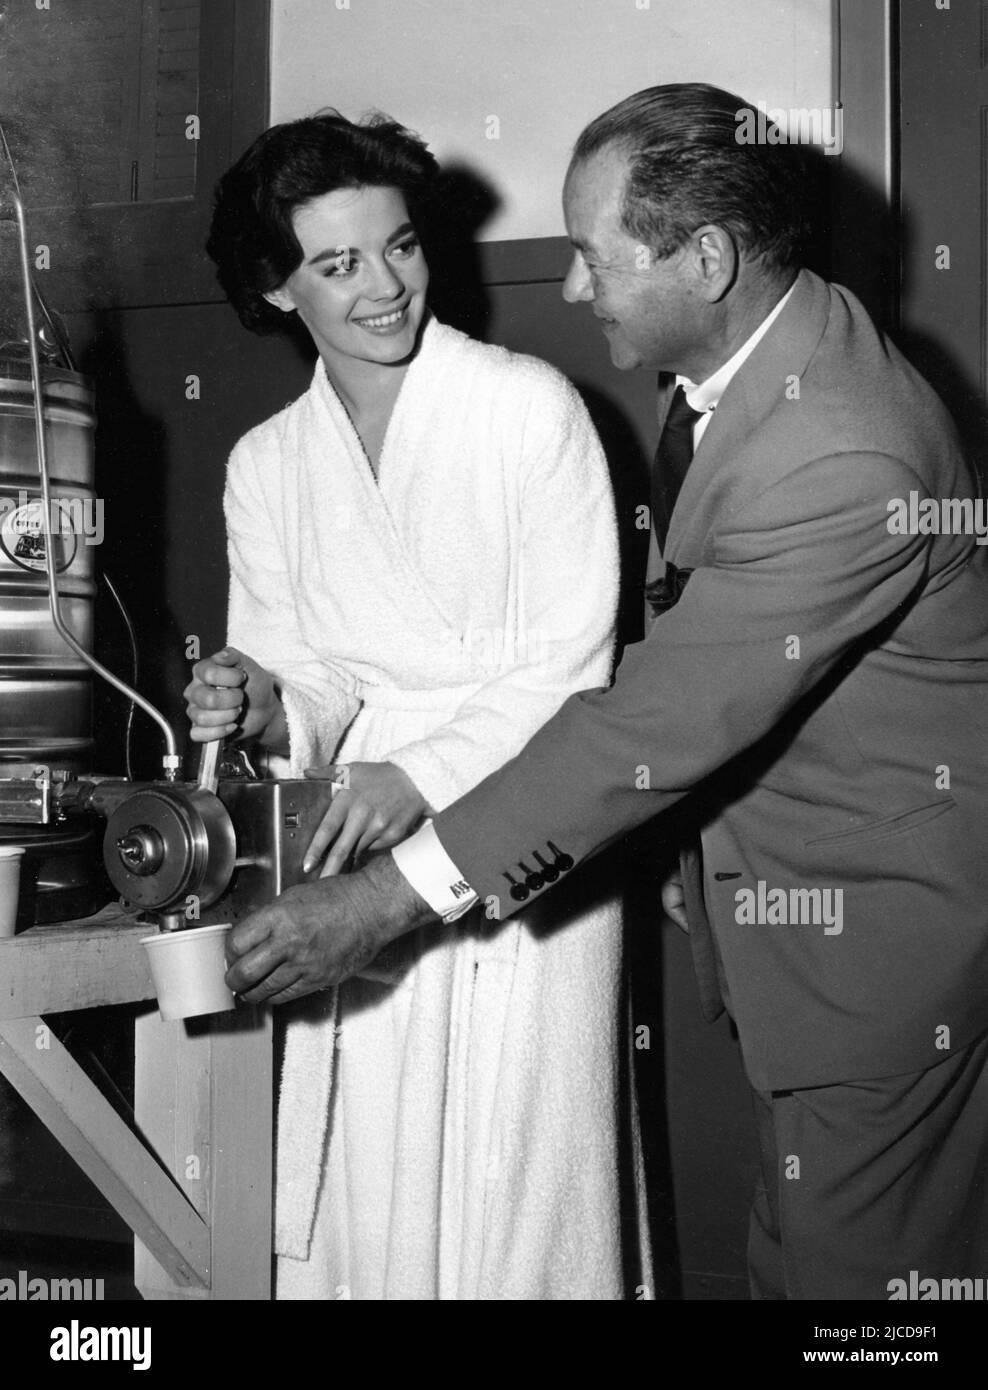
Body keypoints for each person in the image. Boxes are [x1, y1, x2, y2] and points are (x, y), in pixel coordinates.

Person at [226, 84, 988, 1302]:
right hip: (791, 927)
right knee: (798, 1265)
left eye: (591, 257)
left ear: (708, 258)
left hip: (881, 946)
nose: (570, 291)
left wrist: (380, 901)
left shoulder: (836, 444)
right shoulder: (753, 354)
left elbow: (648, 717)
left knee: (859, 1292)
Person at [185, 112, 652, 1301]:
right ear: (276, 289)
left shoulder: (528, 408)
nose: (384, 287)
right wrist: (259, 700)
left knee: (517, 1176)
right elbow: (317, 687)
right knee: (374, 1175)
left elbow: (570, 668)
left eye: (398, 247)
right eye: (336, 265)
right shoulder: (268, 464)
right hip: (349, 841)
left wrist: (415, 775)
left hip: (521, 818)